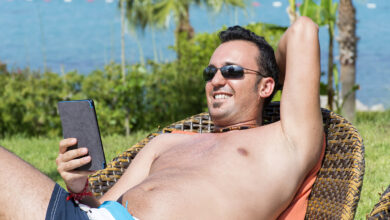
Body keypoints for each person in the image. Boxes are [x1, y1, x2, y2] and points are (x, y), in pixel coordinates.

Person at [0, 16, 323, 220]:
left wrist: (273, 74)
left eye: (233, 71)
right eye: (211, 72)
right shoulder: (167, 142)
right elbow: (99, 209)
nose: (217, 80)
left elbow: (302, 31)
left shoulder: (286, 140)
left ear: (267, 85)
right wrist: (79, 186)